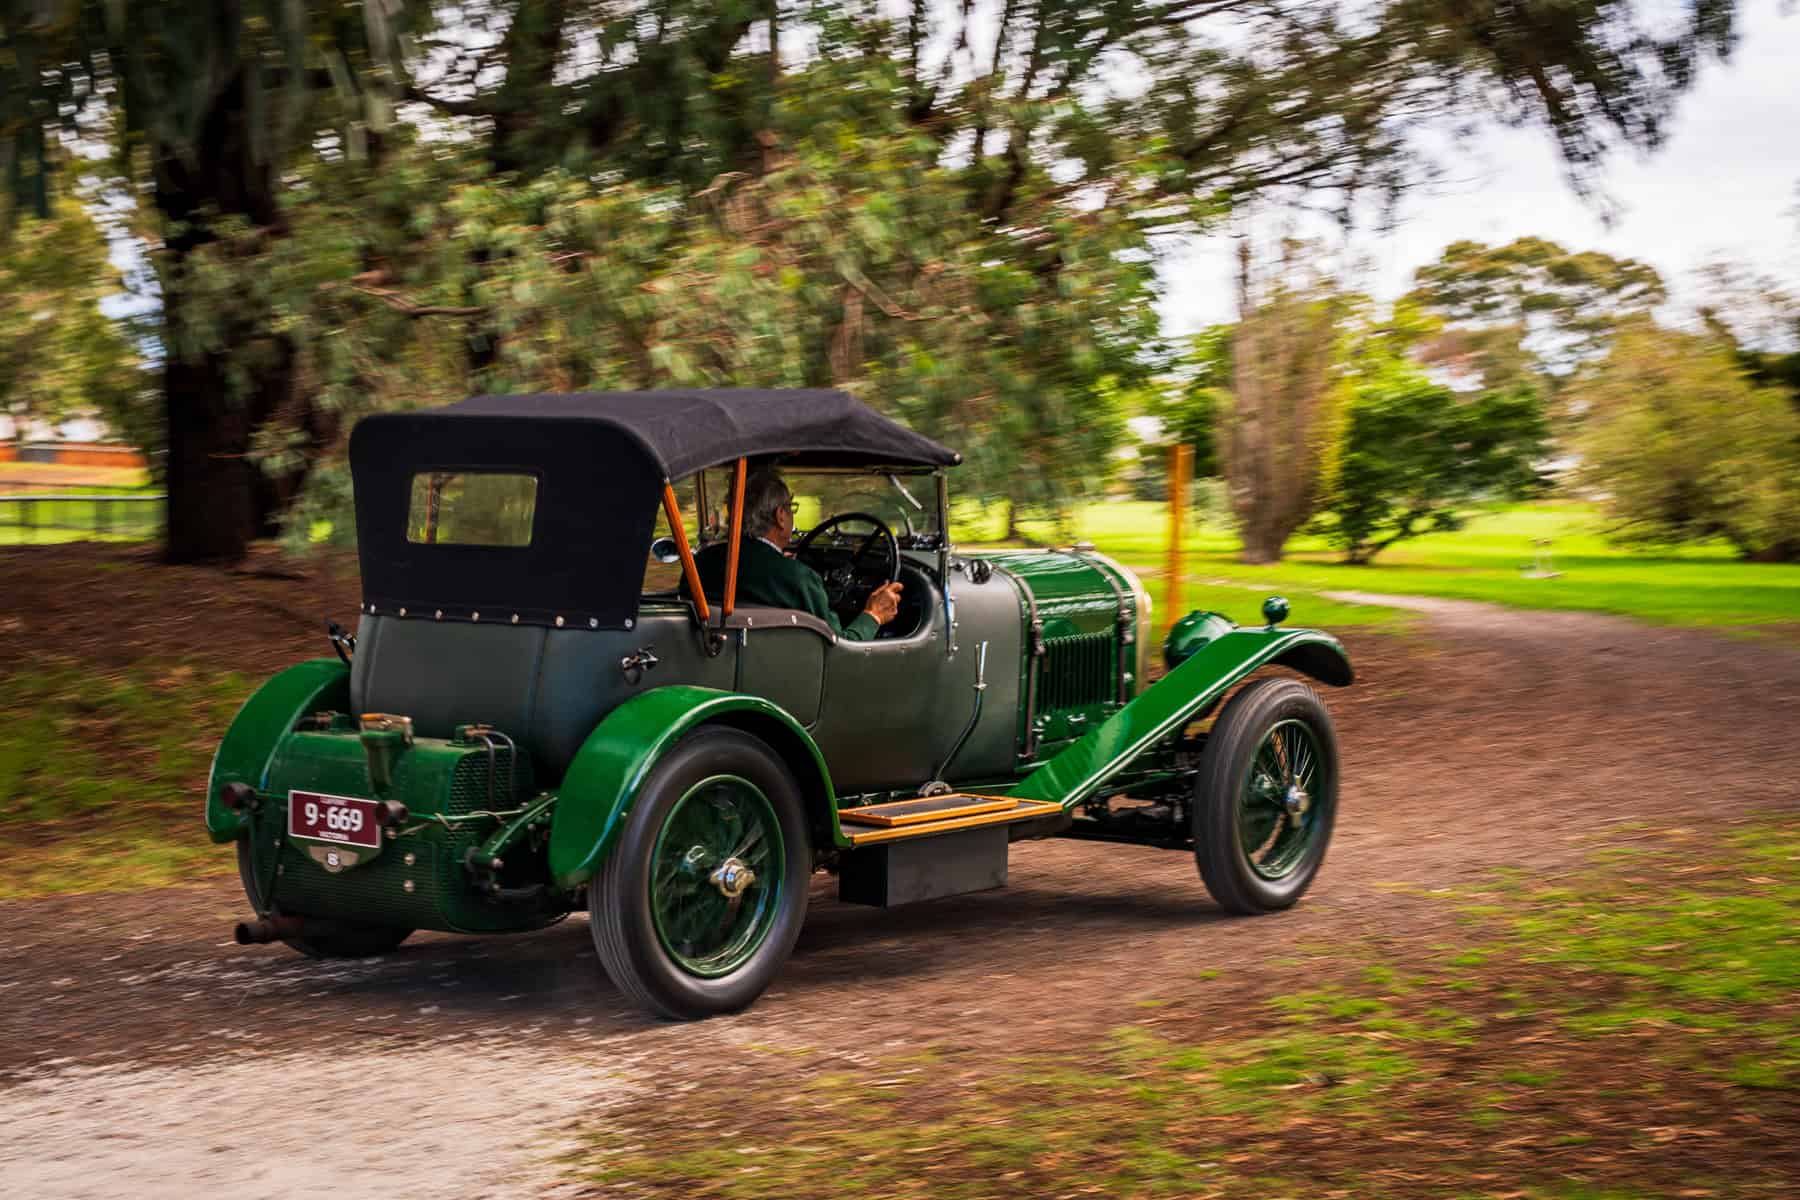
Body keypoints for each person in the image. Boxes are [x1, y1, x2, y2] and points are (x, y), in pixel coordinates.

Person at [688, 468, 903, 641]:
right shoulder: (798, 579)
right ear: (780, 516)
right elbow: (841, 650)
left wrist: (783, 567)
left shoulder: (700, 563)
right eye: (791, 508)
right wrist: (873, 615)